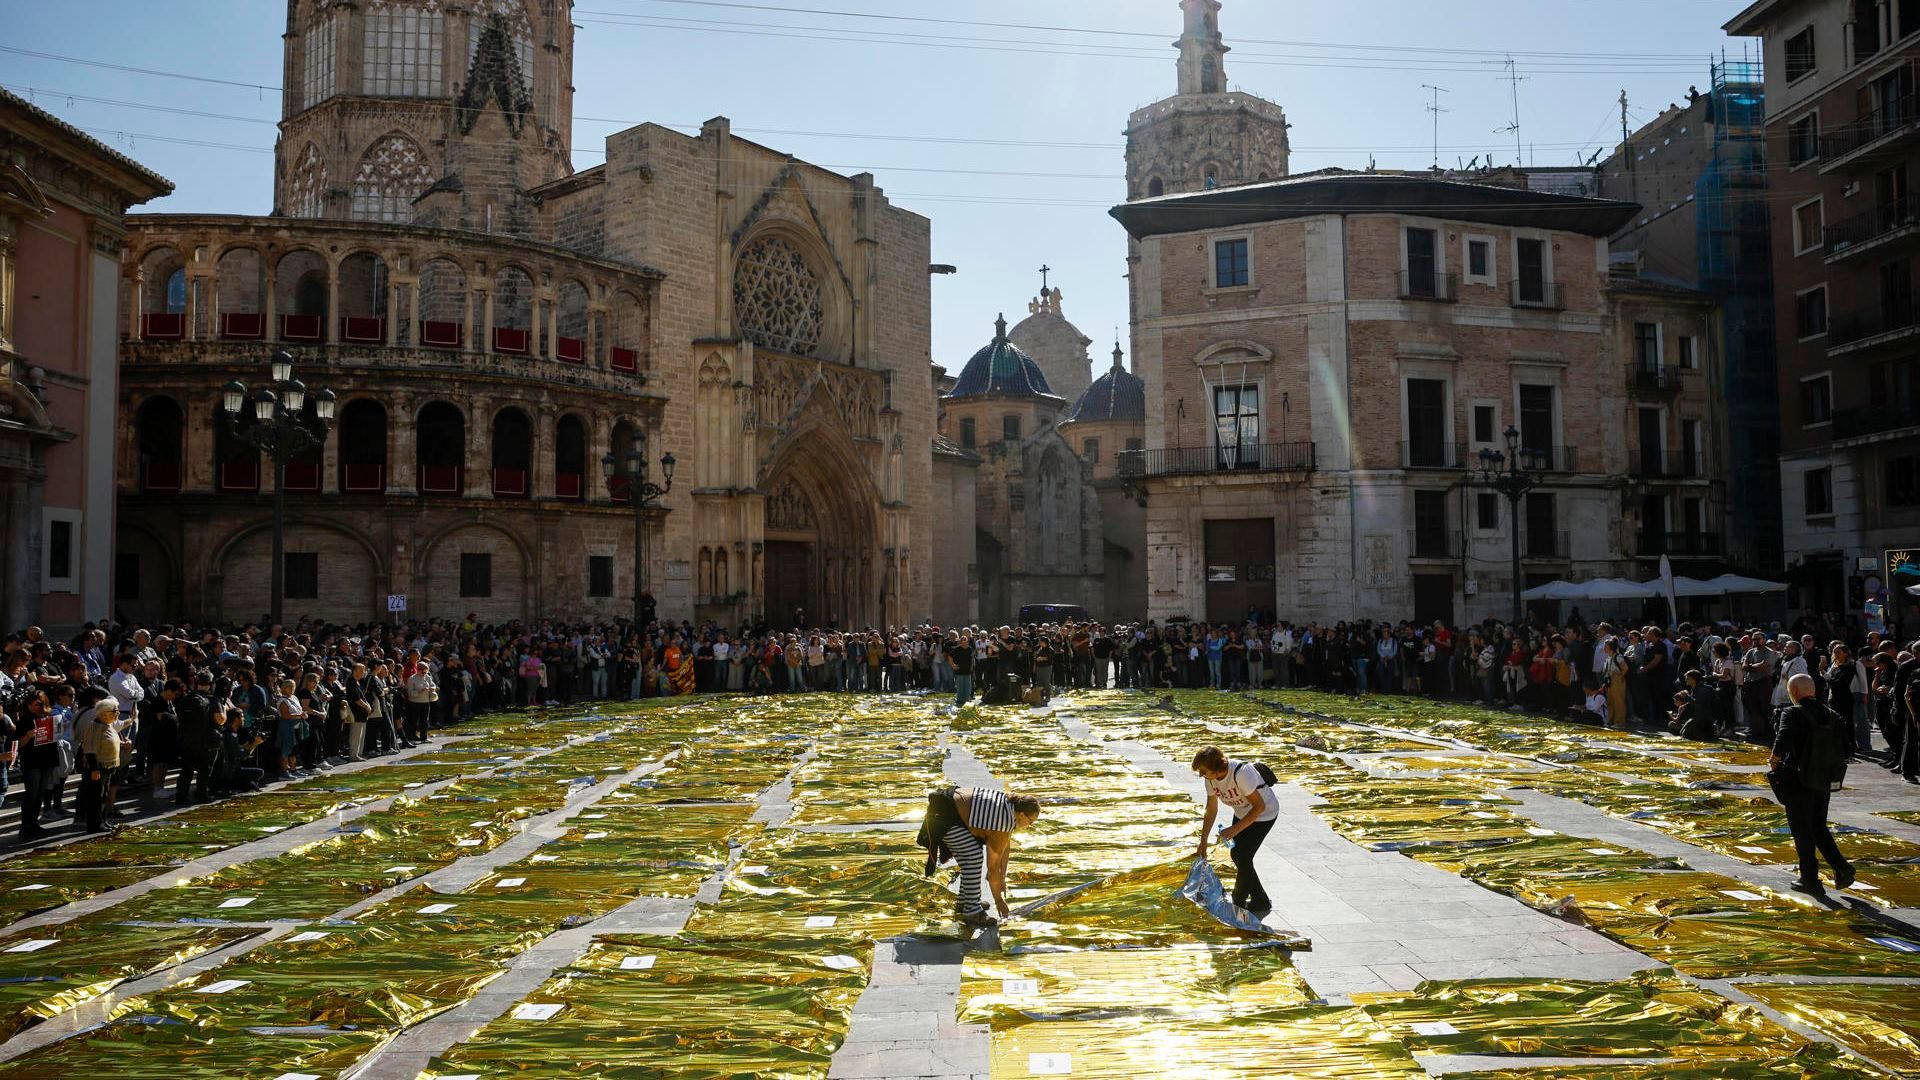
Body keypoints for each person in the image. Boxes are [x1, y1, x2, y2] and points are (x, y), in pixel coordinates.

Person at [1770, 672, 1855, 899]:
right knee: (1818, 826)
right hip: (1824, 779)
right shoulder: (1833, 715)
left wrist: (1774, 759)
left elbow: (1784, 739)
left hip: (1798, 779)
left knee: (1802, 830)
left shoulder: (1792, 712)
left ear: (1794, 693)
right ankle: (1842, 868)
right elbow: (1848, 749)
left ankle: (1809, 878)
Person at [918, 784, 1041, 926]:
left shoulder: (1010, 810)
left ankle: (966, 903)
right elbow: (992, 868)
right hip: (944, 816)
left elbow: (1004, 848)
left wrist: (1002, 877)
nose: (1031, 825)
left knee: (970, 858)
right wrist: (999, 901)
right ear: (1021, 814)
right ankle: (972, 911)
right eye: (1031, 821)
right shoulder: (1003, 821)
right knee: (973, 857)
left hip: (952, 809)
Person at [1191, 745, 1280, 917]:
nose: (1201, 775)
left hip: (1264, 814)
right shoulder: (1210, 779)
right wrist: (1203, 841)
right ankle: (1260, 899)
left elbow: (1259, 806)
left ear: (1216, 768)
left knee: (1244, 857)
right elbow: (1211, 809)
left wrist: (1235, 829)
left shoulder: (1241, 773)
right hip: (1242, 813)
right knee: (1236, 855)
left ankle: (1238, 902)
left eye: (1203, 771)